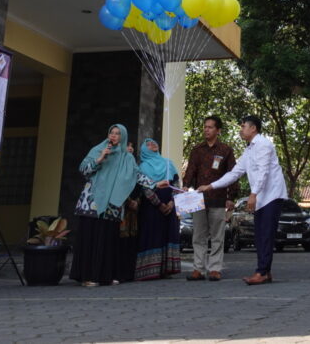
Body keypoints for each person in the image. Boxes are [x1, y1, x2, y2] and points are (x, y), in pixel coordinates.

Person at [70, 124, 168, 286]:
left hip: (112, 206)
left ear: (123, 137)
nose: (114, 136)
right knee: (91, 240)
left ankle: (105, 275)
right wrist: (100, 159)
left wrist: (156, 184)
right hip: (91, 203)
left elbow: (137, 176)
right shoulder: (98, 150)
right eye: (111, 132)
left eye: (118, 133)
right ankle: (87, 276)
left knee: (107, 241)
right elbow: (84, 170)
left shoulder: (127, 158)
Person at [199, 115, 288, 285]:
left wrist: (253, 195)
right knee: (261, 235)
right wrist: (211, 186)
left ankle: (262, 272)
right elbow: (235, 173)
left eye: (243, 126)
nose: (241, 129)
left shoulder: (263, 145)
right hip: (262, 197)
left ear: (253, 128)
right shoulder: (249, 150)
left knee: (266, 234)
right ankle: (265, 272)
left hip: (272, 195)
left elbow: (263, 172)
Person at [182, 115, 238, 282]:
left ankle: (214, 269)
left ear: (218, 131)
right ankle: (198, 269)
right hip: (198, 199)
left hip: (219, 199)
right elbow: (190, 171)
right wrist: (185, 185)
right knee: (198, 236)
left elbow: (233, 175)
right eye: (205, 126)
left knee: (217, 236)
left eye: (210, 127)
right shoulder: (197, 150)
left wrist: (231, 197)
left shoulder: (226, 150)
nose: (206, 129)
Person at [134, 138, 182, 281]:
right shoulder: (142, 167)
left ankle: (166, 269)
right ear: (143, 150)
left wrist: (172, 203)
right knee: (153, 234)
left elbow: (176, 183)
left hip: (169, 205)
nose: (152, 144)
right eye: (148, 144)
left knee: (167, 235)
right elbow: (144, 188)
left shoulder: (168, 163)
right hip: (151, 207)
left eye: (154, 142)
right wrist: (159, 204)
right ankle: (150, 271)